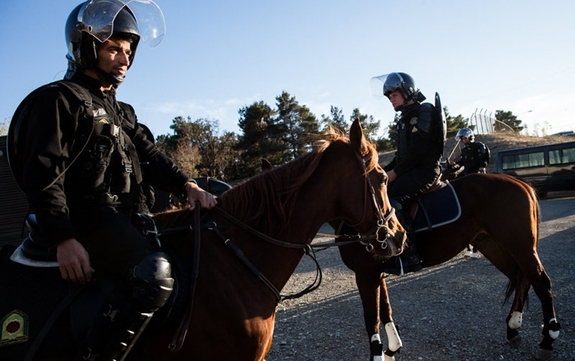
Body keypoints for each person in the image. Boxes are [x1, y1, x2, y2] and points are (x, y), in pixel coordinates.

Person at [7, 1, 217, 360]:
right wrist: (65, 238)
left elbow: (151, 157)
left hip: (125, 217)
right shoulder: (59, 100)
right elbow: (43, 176)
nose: (125, 58)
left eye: (129, 50)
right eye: (113, 48)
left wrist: (188, 185)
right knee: (155, 274)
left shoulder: (121, 111)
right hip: (86, 218)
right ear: (87, 48)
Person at [371, 72, 446, 275]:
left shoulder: (425, 111)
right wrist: (382, 173)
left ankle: (409, 256)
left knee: (394, 199)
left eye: (394, 95)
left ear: (406, 92)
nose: (391, 100)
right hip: (411, 169)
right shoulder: (404, 119)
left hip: (425, 171)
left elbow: (419, 152)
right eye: (389, 97)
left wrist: (396, 172)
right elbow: (402, 155)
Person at [453, 127, 490, 258]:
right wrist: (453, 165)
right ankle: (468, 248)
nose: (463, 140)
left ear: (470, 136)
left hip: (476, 176)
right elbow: (462, 163)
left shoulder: (479, 146)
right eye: (462, 138)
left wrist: (482, 167)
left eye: (464, 138)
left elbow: (483, 160)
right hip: (467, 176)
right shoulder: (464, 150)